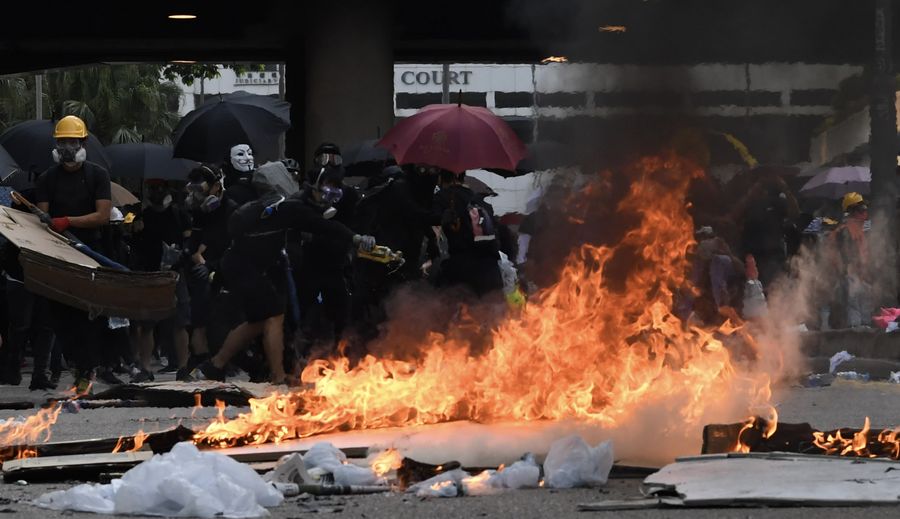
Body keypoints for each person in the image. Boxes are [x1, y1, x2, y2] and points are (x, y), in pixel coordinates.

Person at [198, 164, 376, 384]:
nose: (330, 199)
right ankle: (277, 375)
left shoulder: (281, 206)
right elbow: (324, 226)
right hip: (244, 267)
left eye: (335, 193)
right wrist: (356, 238)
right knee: (274, 315)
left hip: (242, 266)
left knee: (259, 320)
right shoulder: (291, 207)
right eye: (326, 191)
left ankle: (215, 365)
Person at [35, 116, 112, 394]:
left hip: (90, 253)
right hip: (58, 254)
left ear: (83, 143)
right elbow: (43, 218)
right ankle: (76, 367)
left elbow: (102, 216)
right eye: (62, 142)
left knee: (88, 315)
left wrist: (67, 221)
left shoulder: (97, 175)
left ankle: (88, 370)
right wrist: (49, 223)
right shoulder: (47, 178)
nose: (67, 147)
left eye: (72, 142)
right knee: (59, 315)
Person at [131, 179, 192, 382]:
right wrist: (134, 230)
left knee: (180, 322)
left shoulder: (179, 214)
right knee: (147, 323)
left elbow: (189, 242)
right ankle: (145, 368)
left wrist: (180, 258)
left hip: (175, 274)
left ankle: (183, 368)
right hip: (150, 275)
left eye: (160, 187)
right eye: (152, 188)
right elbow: (135, 245)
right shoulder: (143, 216)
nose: (156, 192)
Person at [185, 164, 237, 378]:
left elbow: (233, 248)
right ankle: (199, 360)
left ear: (217, 187)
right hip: (201, 274)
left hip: (224, 275)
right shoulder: (200, 212)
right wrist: (191, 254)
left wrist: (211, 265)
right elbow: (193, 241)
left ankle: (219, 367)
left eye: (201, 189)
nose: (197, 195)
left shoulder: (231, 210)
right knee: (196, 321)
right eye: (193, 189)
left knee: (219, 326)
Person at [433, 169, 503, 297]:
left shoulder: (442, 197)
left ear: (440, 178)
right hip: (490, 268)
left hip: (462, 268)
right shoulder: (479, 199)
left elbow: (433, 222)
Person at [826, 192, 873, 328]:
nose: (865, 213)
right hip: (851, 274)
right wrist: (849, 271)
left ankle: (864, 329)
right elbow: (844, 255)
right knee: (854, 304)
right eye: (862, 209)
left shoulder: (857, 229)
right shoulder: (845, 230)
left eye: (864, 209)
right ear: (853, 212)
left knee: (862, 304)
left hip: (859, 274)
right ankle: (856, 332)